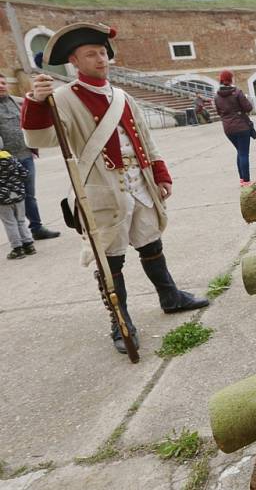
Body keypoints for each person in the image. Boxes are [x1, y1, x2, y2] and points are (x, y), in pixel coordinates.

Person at [22, 22, 208, 354]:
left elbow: (144, 140)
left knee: (151, 243)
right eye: (90, 54)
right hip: (102, 189)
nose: (101, 59)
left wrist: (161, 174)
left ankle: (170, 296)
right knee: (111, 261)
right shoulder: (62, 98)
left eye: (102, 52)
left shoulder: (121, 96)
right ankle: (120, 323)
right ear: (75, 63)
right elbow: (41, 139)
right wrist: (37, 103)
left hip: (139, 183)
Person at [0, 73, 60, 240]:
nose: (2, 86)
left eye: (3, 83)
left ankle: (36, 228)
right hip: (4, 163)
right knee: (9, 199)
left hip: (26, 156)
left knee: (29, 195)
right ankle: (19, 237)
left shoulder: (19, 102)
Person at [214, 70, 254, 187]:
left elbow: (218, 112)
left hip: (228, 129)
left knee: (240, 152)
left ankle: (242, 179)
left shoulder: (217, 96)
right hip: (241, 126)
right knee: (244, 154)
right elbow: (248, 108)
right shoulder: (237, 92)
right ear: (231, 79)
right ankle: (246, 181)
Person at [0, 136, 35, 259]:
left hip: (2, 200)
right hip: (19, 196)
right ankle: (29, 245)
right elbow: (24, 173)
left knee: (10, 223)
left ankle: (17, 248)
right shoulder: (12, 159)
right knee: (20, 220)